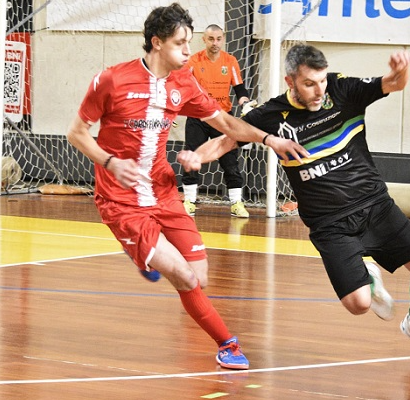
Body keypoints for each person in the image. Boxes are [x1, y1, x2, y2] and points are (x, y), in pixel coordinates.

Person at [66, 3, 308, 370]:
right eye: (180, 43)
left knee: (200, 276)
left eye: (188, 42)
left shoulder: (183, 83)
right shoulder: (112, 80)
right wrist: (110, 162)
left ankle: (144, 256)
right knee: (183, 275)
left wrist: (268, 139)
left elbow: (227, 124)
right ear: (157, 42)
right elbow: (77, 133)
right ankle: (227, 344)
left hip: (163, 192)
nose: (187, 50)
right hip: (121, 200)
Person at [178, 44, 410, 361]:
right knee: (358, 305)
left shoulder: (342, 90)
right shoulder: (270, 115)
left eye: (321, 81)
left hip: (375, 205)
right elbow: (226, 141)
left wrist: (402, 70)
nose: (319, 91)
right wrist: (197, 157)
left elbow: (394, 83)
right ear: (290, 81)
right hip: (329, 223)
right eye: (309, 83)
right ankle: (368, 280)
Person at [181, 24, 255, 218]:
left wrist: (245, 103)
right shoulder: (193, 61)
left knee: (230, 160)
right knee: (192, 156)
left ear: (223, 39)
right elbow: (181, 86)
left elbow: (239, 88)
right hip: (198, 116)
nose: (215, 43)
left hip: (222, 117)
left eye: (219, 39)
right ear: (204, 40)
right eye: (211, 39)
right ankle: (189, 201)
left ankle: (236, 203)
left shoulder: (230, 61)